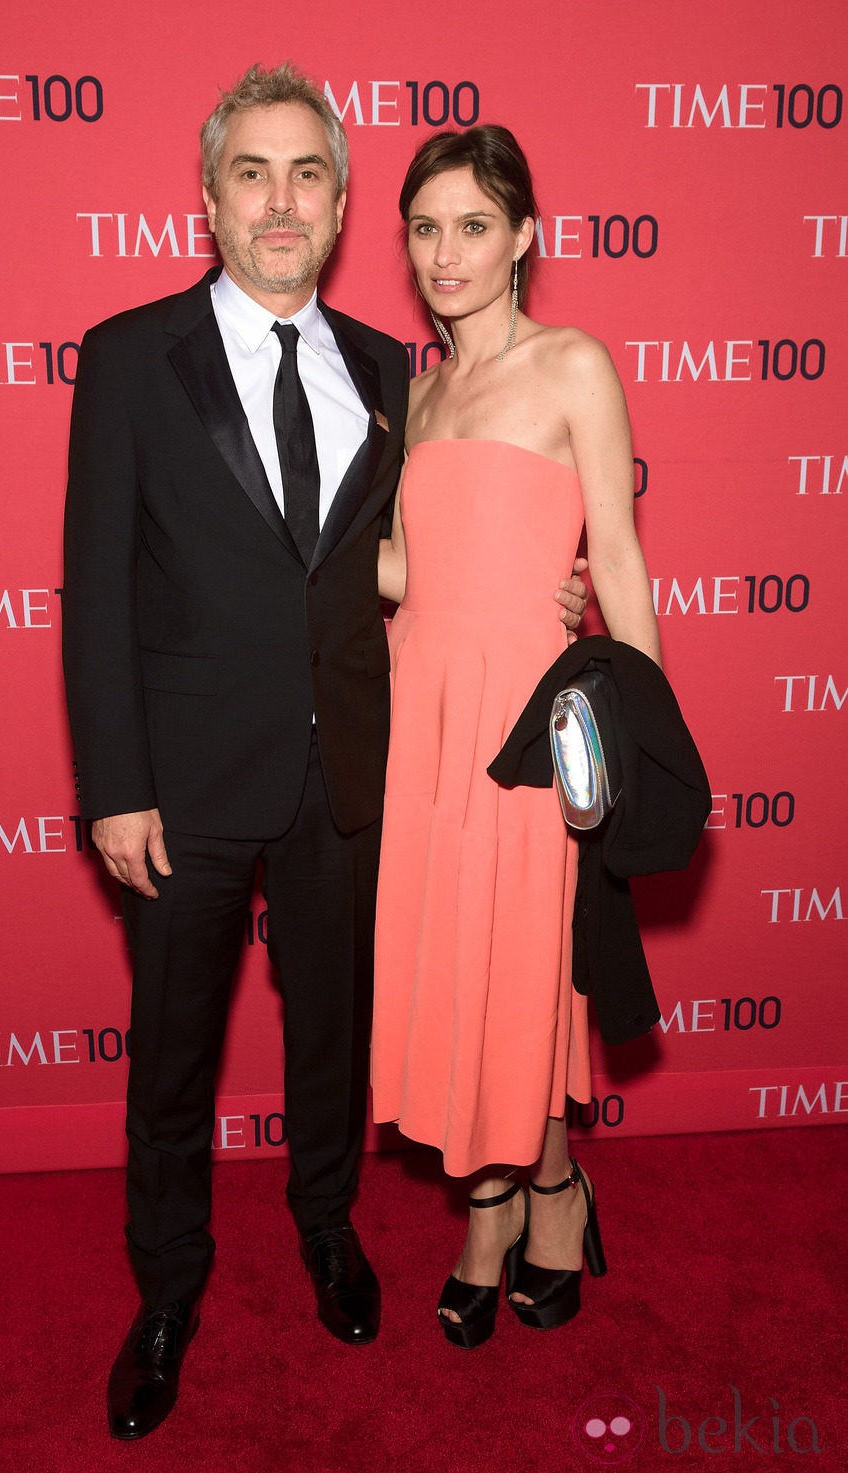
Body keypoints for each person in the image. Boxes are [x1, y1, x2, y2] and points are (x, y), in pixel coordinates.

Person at [63, 67, 589, 1438]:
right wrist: (112, 785)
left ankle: (328, 1228)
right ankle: (169, 1288)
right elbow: (95, 589)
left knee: (330, 1042)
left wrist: (552, 592)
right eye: (253, 172)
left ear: (345, 204)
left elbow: (418, 557)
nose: (281, 199)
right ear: (211, 194)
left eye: (309, 174)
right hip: (180, 787)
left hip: (352, 776)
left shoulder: (387, 365)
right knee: (172, 1058)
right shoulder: (128, 357)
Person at [372, 125, 662, 1349]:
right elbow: (395, 568)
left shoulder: (572, 367)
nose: (446, 253)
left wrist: (643, 735)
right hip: (421, 719)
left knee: (521, 976)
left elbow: (621, 560)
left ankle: (527, 1201)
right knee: (455, 977)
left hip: (529, 729)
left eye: (473, 227)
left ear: (523, 239)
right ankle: (515, 1197)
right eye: (426, 228)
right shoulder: (411, 389)